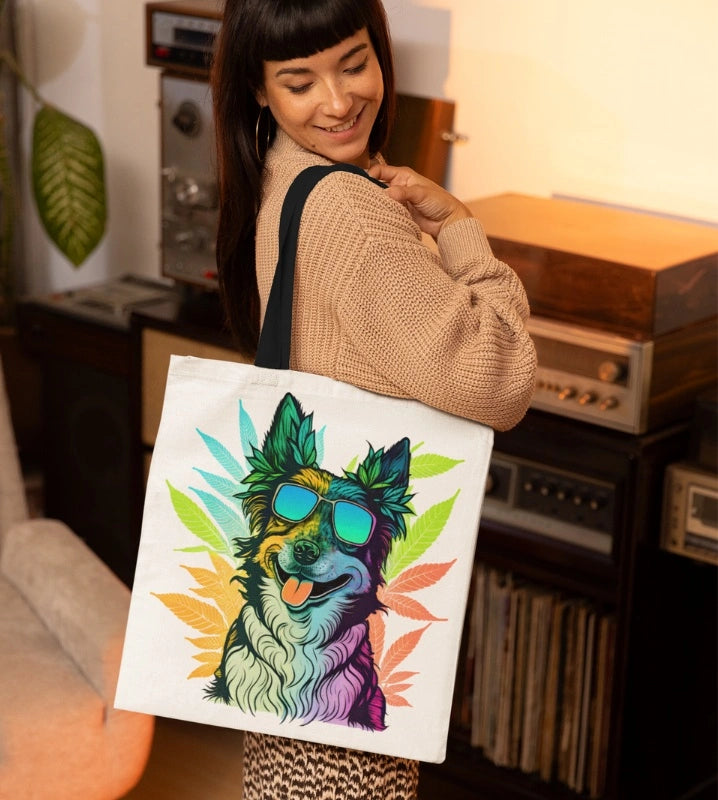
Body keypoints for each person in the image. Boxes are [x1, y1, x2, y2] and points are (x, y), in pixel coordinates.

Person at [210, 0, 537, 797]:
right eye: (299, 80)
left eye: (353, 63)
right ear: (258, 91)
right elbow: (501, 380)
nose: (337, 100)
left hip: (293, 638)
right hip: (339, 642)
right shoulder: (351, 211)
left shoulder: (282, 178)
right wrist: (461, 229)